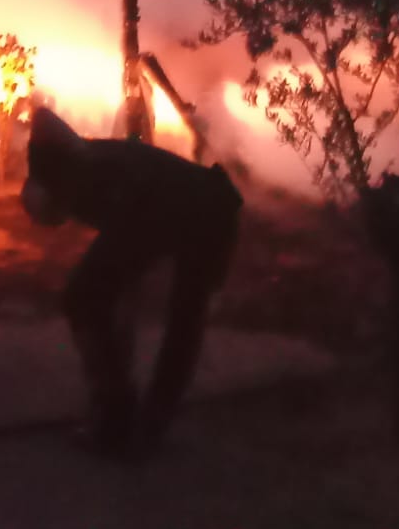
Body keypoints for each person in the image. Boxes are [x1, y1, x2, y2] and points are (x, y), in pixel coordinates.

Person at [20, 101, 243, 461]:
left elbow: (121, 271)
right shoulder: (82, 170)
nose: (66, 219)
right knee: (102, 297)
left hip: (210, 212)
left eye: (58, 212)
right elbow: (124, 278)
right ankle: (127, 415)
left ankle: (137, 421)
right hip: (184, 206)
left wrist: (112, 395)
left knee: (178, 317)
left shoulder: (96, 177)